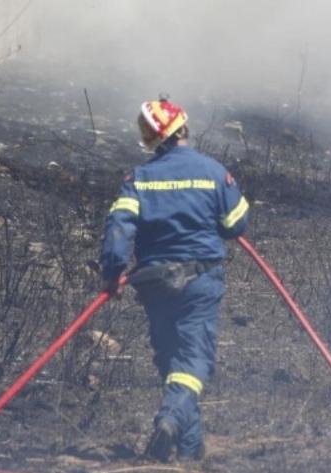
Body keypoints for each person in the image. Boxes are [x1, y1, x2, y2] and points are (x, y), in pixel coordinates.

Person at [100, 98, 250, 462]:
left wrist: (113, 273)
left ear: (151, 138)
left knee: (172, 362)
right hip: (200, 279)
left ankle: (190, 450)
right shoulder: (213, 172)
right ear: (183, 127)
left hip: (153, 282)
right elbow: (237, 225)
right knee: (194, 360)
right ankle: (168, 420)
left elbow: (118, 229)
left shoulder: (138, 179)